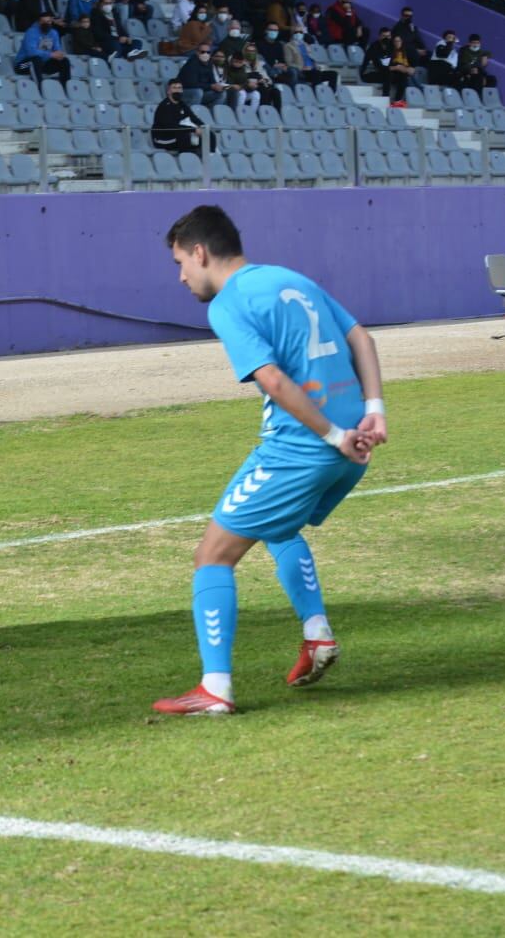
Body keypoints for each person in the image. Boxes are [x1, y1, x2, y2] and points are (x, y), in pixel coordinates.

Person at [153, 205, 386, 715]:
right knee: (278, 526)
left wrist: (332, 435)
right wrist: (374, 413)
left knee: (211, 555)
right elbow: (362, 338)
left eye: (180, 263)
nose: (181, 276)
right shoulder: (291, 278)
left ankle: (215, 689)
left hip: (306, 449)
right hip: (353, 448)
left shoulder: (228, 303)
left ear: (200, 252)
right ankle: (317, 634)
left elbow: (274, 382)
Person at [14, 9, 70, 85]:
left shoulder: (54, 33)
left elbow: (57, 49)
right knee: (35, 60)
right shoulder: (31, 32)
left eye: (48, 21)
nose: (46, 23)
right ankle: (39, 88)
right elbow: (31, 52)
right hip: (22, 65)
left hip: (43, 64)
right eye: (43, 21)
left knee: (64, 61)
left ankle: (65, 87)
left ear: (51, 22)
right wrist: (51, 55)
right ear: (39, 22)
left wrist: (59, 54)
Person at [151, 79, 207, 153]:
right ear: (168, 91)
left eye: (179, 88)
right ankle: (185, 159)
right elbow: (171, 127)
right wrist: (193, 130)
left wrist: (204, 127)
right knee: (186, 136)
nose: (177, 90)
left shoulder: (182, 104)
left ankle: (205, 160)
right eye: (174, 88)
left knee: (207, 135)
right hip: (162, 138)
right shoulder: (164, 106)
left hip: (176, 134)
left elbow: (193, 118)